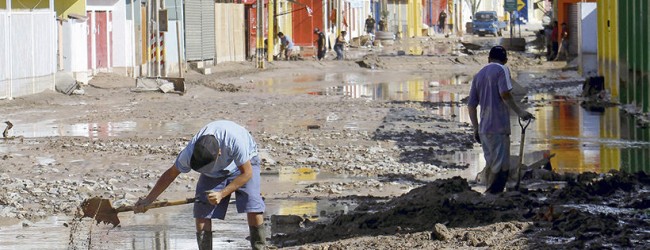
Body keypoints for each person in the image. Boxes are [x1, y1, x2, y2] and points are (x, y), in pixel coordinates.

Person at [134, 120, 266, 250]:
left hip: (244, 164)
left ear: (219, 153)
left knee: (252, 205)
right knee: (202, 211)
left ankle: (259, 247)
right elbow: (170, 174)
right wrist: (148, 200)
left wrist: (222, 194)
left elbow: (247, 173)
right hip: (215, 173)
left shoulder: (235, 142)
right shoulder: (189, 153)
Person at [467, 46, 534, 194]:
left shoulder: (479, 75)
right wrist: (520, 112)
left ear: (488, 59)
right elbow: (505, 94)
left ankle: (491, 195)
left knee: (491, 164)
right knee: (501, 167)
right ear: (505, 60)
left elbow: (471, 105)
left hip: (484, 129)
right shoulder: (502, 70)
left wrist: (476, 128)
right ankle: (492, 196)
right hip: (498, 127)